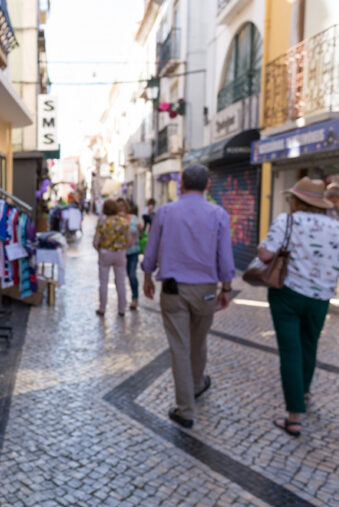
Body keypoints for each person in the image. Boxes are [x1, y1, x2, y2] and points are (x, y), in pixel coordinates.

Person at [258, 177, 339, 437]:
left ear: (296, 200)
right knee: (309, 345)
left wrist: (264, 247)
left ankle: (294, 417)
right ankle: (303, 391)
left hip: (287, 295)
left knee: (290, 352)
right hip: (320, 300)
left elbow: (265, 255)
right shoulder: (337, 228)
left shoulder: (287, 221)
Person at [142, 164, 235, 429]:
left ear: (180, 184)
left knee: (180, 347)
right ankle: (195, 385)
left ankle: (186, 409)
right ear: (207, 186)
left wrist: (147, 276)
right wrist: (226, 288)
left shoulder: (165, 212)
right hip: (206, 289)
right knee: (199, 339)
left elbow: (151, 249)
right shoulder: (218, 214)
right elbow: (225, 256)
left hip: (173, 290)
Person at [93, 199, 132, 317]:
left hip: (105, 253)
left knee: (103, 282)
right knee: (121, 282)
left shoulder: (103, 223)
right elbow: (129, 240)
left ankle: (102, 308)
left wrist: (100, 250)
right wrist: (123, 248)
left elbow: (95, 242)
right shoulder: (124, 222)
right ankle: (122, 309)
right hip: (120, 253)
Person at [126, 204, 142, 310]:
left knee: (132, 275)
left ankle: (134, 298)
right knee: (120, 278)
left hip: (133, 252)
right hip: (120, 253)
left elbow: (140, 231)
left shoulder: (134, 218)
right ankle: (121, 301)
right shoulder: (117, 219)